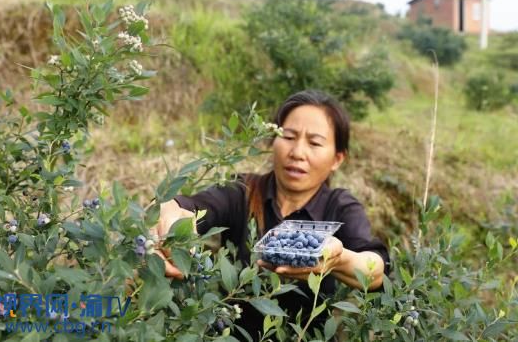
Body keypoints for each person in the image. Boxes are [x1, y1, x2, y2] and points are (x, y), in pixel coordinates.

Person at [154, 89, 390, 339]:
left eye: (315, 142)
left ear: (337, 159)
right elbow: (185, 205)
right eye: (289, 136)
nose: (297, 152)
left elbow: (375, 269)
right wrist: (170, 218)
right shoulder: (242, 191)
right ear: (273, 139)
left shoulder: (340, 206)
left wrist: (340, 259)